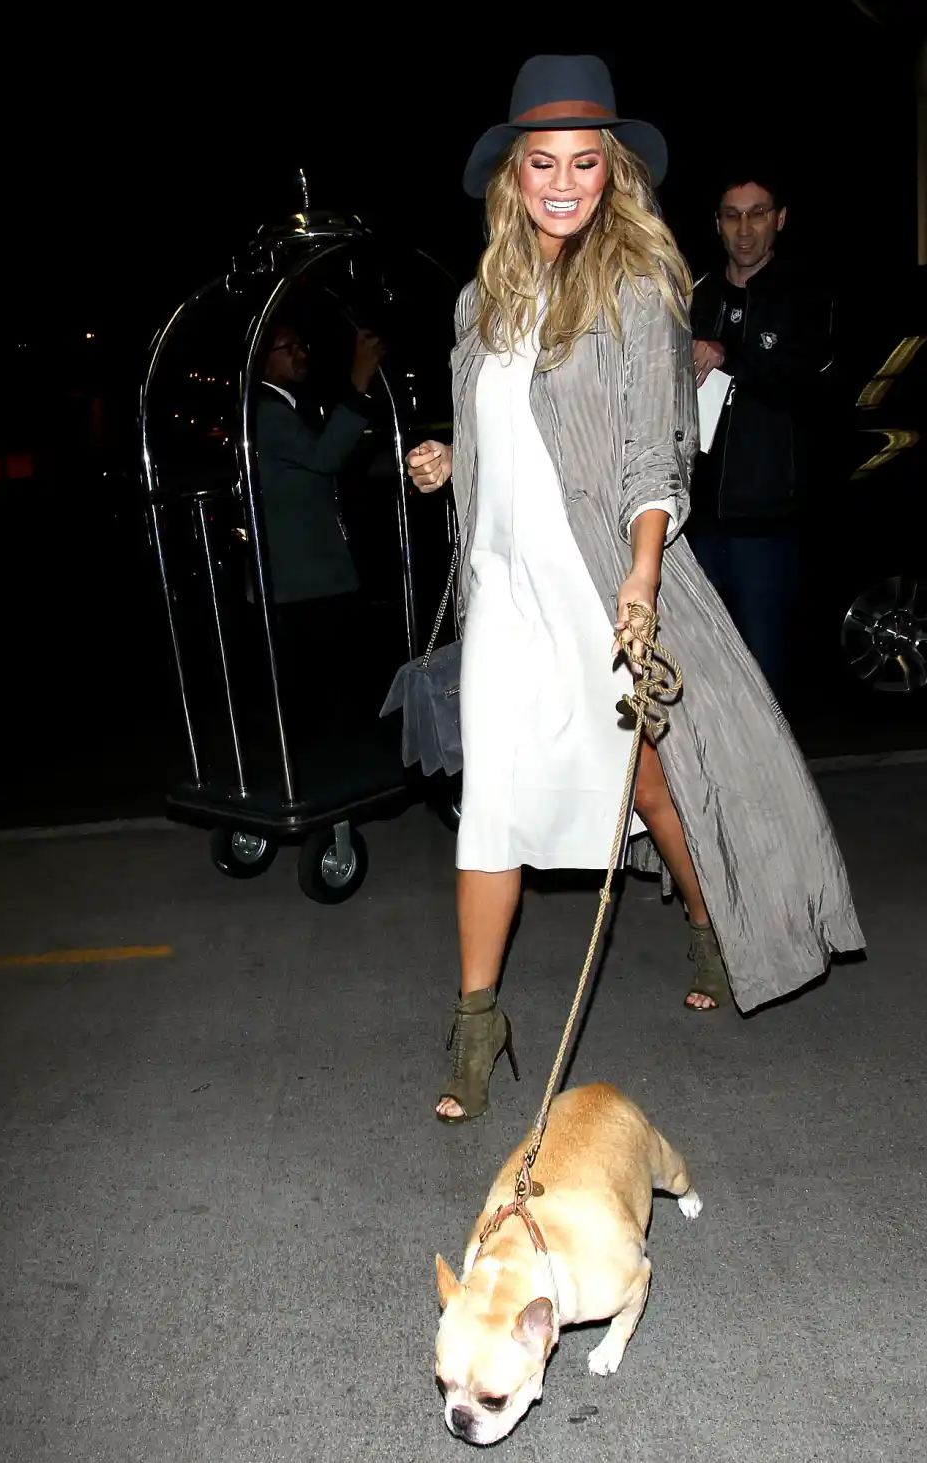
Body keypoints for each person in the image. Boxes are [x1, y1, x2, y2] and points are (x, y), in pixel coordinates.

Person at [406, 54, 863, 1123]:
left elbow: (657, 452)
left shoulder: (636, 290)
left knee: (649, 785)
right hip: (503, 592)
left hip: (600, 577)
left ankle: (710, 922)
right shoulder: (480, 300)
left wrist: (644, 576)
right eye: (542, 162)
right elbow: (512, 427)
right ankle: (475, 1024)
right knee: (491, 802)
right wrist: (449, 459)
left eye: (584, 161)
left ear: (611, 171)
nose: (563, 182)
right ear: (512, 174)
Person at [688, 170, 834, 707]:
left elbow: (810, 377)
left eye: (757, 214)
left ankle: (771, 763)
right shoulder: (696, 295)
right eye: (732, 216)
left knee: (762, 673)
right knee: (696, 669)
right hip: (694, 522)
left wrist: (731, 356)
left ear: (780, 219)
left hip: (767, 523)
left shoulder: (804, 298)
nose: (745, 229)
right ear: (717, 224)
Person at [254, 320, 385, 728]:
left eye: (301, 345)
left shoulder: (292, 405)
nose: (301, 355)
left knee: (329, 684)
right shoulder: (267, 412)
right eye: (288, 348)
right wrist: (359, 381)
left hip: (313, 572)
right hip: (302, 578)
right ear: (263, 362)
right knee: (325, 687)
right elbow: (324, 456)